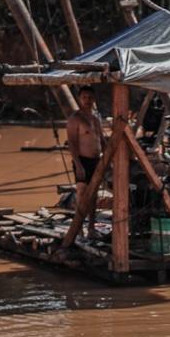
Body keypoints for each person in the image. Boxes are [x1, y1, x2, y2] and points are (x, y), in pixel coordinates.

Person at [65, 87, 105, 237]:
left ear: (94, 99)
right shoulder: (75, 119)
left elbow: (101, 139)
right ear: (79, 99)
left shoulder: (96, 118)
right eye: (84, 97)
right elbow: (72, 143)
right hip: (82, 160)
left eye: (90, 97)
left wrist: (108, 159)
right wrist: (78, 165)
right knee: (82, 194)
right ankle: (78, 228)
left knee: (94, 195)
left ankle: (91, 228)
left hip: (96, 160)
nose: (87, 100)